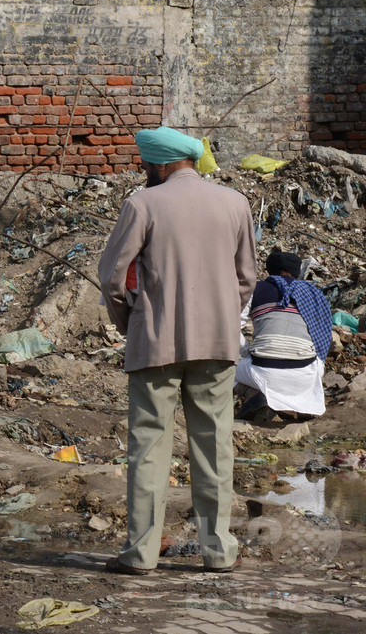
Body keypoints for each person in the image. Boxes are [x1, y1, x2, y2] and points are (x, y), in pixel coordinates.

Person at [97, 126, 257, 575]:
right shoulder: (235, 203)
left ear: (161, 164)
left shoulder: (142, 203)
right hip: (218, 344)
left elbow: (112, 274)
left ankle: (141, 554)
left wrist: (132, 321)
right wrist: (224, 315)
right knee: (214, 447)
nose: (146, 171)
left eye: (148, 164)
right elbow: (246, 277)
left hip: (156, 344)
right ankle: (218, 552)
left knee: (149, 447)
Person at [235, 251, 330, 421]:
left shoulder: (255, 289)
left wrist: (246, 351)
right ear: (298, 271)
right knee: (316, 365)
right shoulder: (313, 294)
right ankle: (301, 403)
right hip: (304, 375)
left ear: (269, 269)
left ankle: (252, 395)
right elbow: (323, 338)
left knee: (225, 369)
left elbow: (233, 328)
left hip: (263, 371)